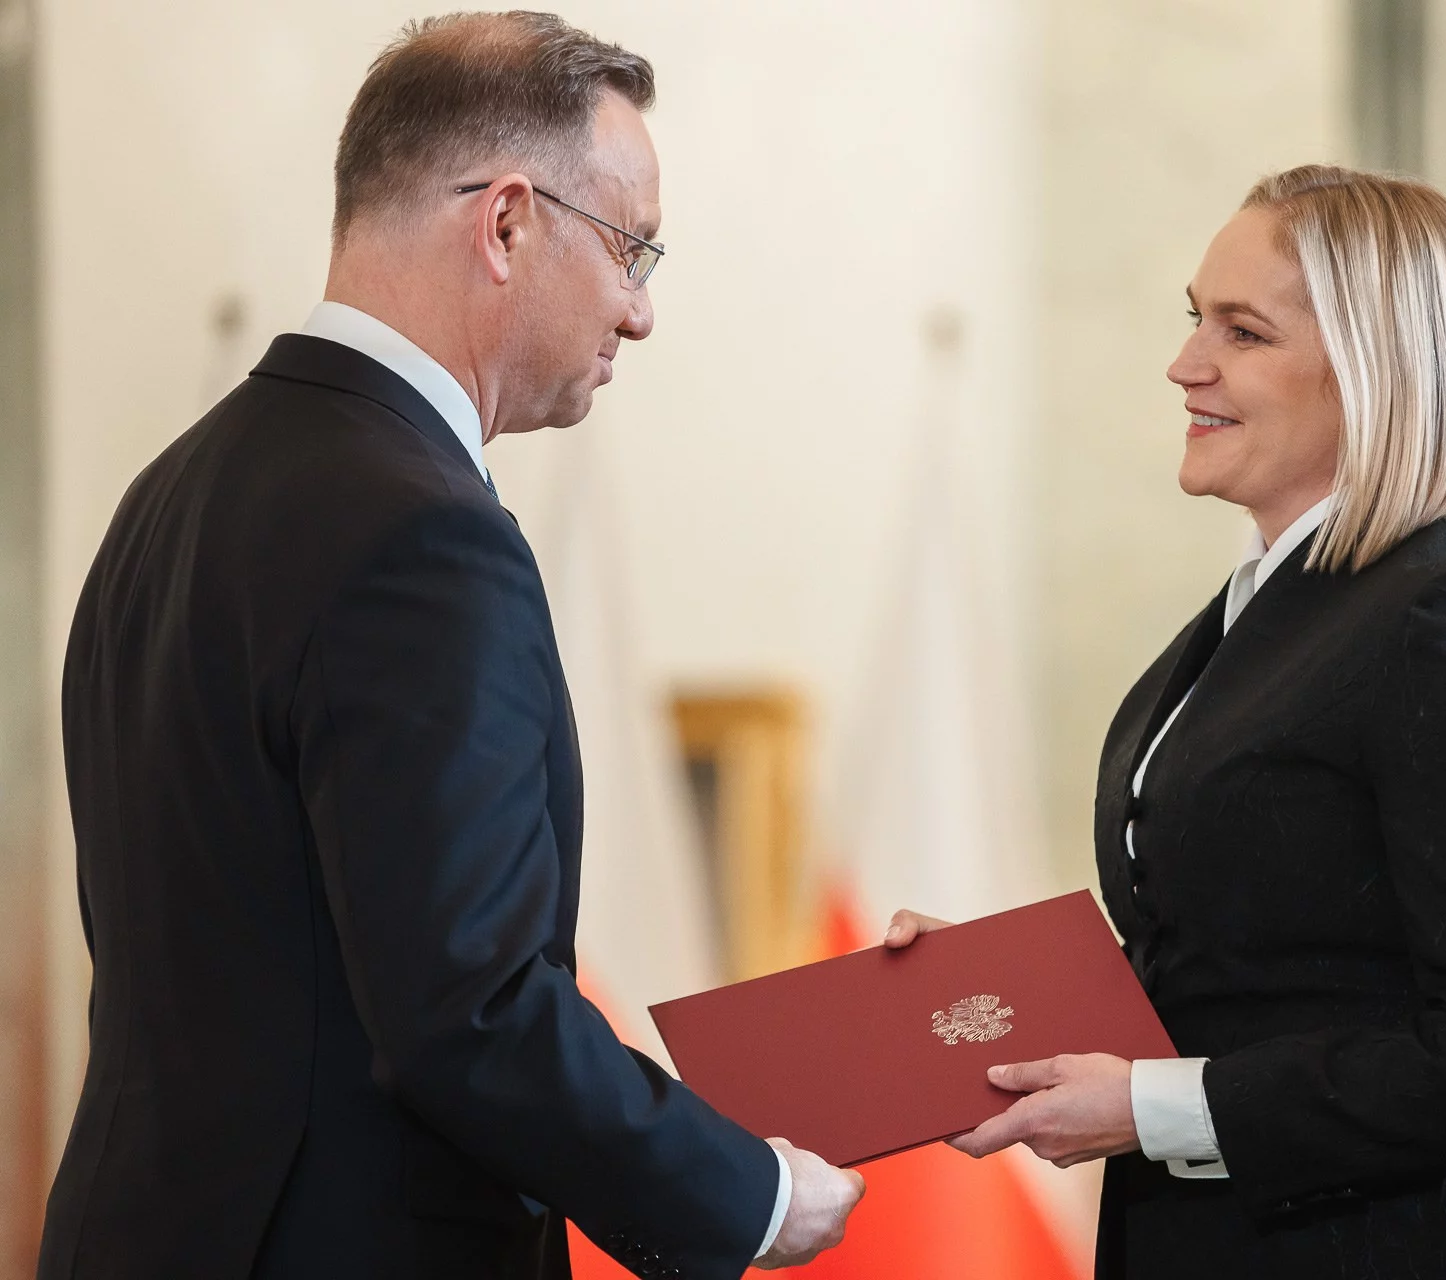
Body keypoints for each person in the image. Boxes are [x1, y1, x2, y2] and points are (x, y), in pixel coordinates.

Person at [38, 14, 862, 1280]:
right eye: (633, 249)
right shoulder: (422, 534)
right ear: (508, 223)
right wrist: (745, 1191)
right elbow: (467, 1011)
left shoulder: (172, 491)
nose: (640, 312)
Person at [887, 164, 1446, 1277]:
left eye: (1242, 331)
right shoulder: (1255, 618)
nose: (1184, 364)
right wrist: (993, 996)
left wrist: (1153, 1104)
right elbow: (1246, 959)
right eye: (1195, 318)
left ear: (1379, 371)